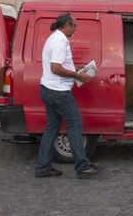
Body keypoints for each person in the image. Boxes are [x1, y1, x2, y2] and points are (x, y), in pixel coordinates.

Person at [35, 13, 98, 178]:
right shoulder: (60, 41)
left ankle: (43, 168)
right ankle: (82, 167)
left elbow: (60, 65)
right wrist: (78, 76)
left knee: (52, 128)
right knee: (75, 123)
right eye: (75, 25)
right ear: (67, 25)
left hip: (49, 89)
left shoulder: (53, 38)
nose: (76, 28)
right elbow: (55, 68)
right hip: (58, 91)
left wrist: (78, 68)